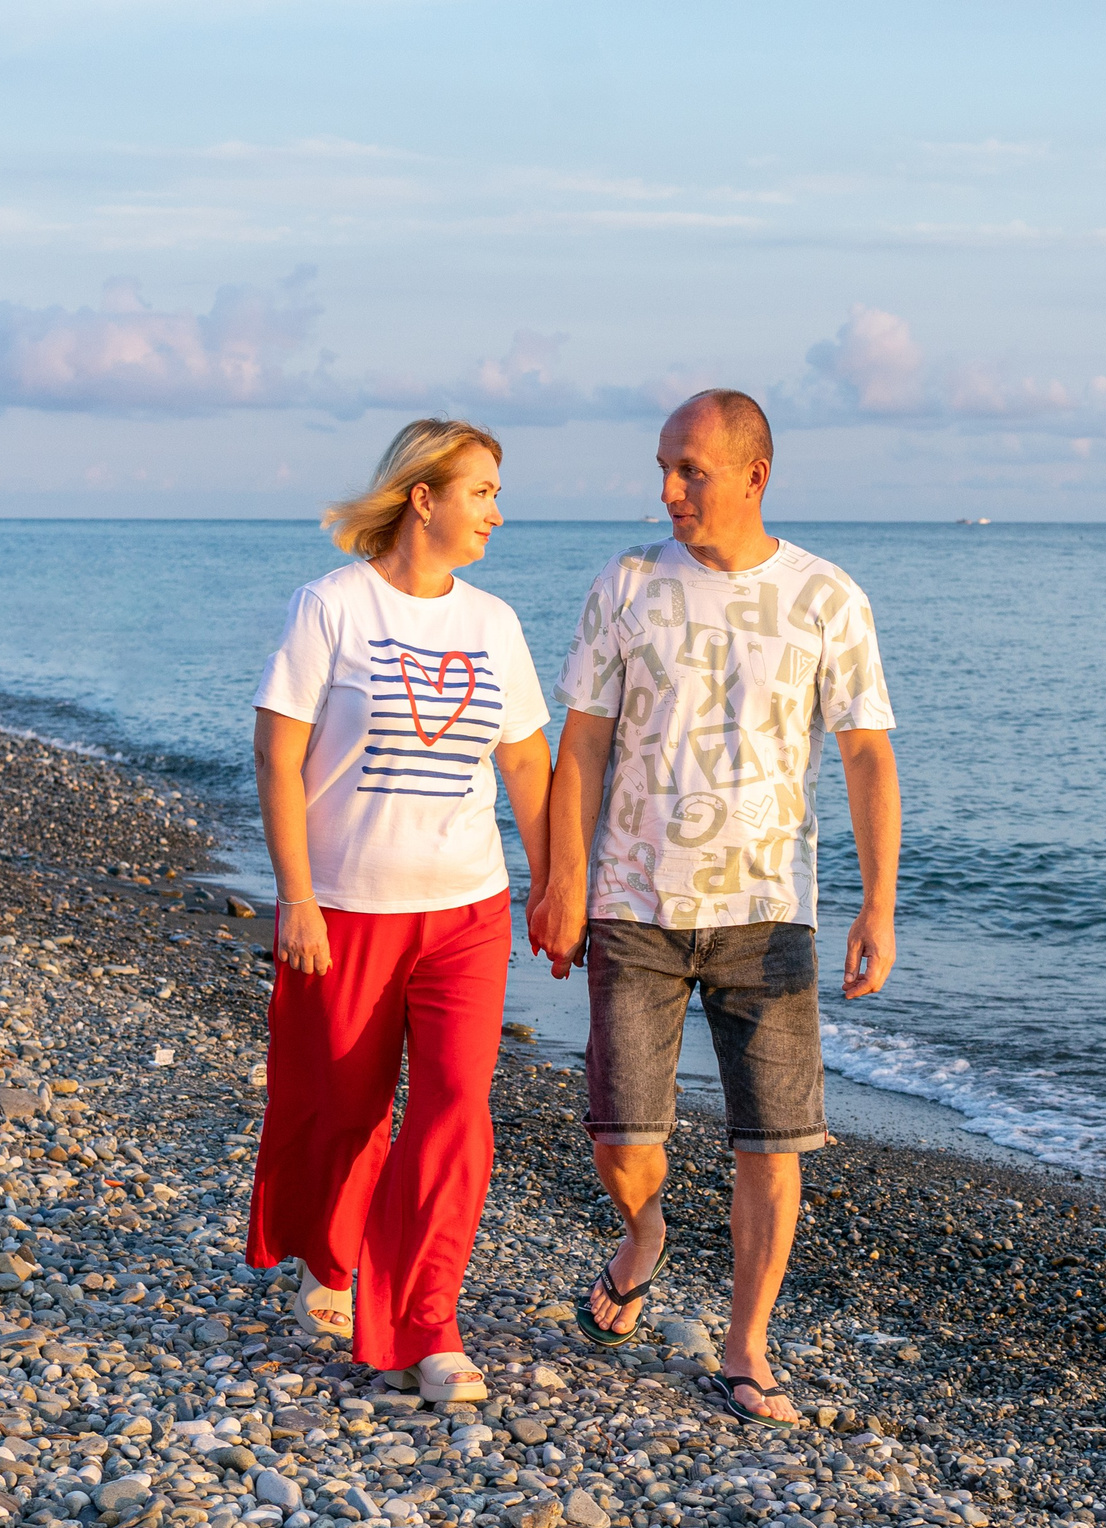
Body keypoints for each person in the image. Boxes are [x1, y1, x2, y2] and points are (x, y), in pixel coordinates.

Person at [535, 388, 900, 1429]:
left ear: (754, 474)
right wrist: (559, 877)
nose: (668, 489)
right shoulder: (628, 582)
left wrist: (878, 903)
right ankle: (643, 1237)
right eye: (664, 466)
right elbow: (585, 744)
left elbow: (866, 751)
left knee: (770, 1142)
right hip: (632, 903)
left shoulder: (828, 597)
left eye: (690, 469)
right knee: (619, 1135)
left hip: (769, 909)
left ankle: (746, 1349)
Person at [243, 418, 552, 1403]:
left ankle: (429, 1321)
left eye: (497, 494)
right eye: (482, 492)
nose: (497, 513)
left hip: (467, 909)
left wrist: (553, 884)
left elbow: (526, 765)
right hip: (348, 909)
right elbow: (278, 754)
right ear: (424, 497)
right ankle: (331, 1260)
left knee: (458, 1112)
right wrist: (296, 896)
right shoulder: (331, 606)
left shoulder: (494, 625)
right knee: (347, 1114)